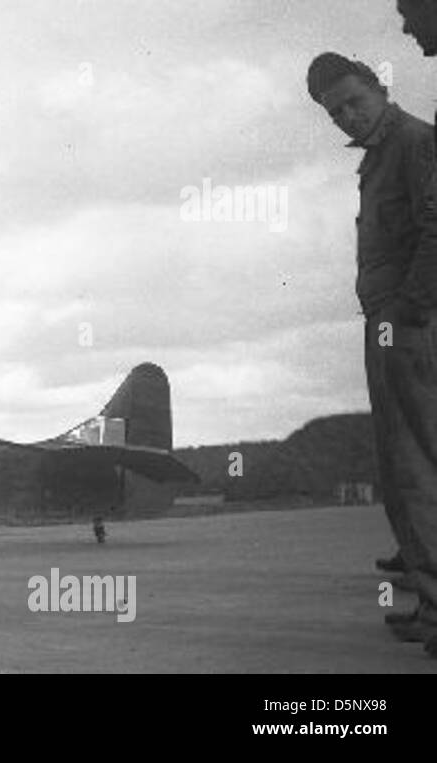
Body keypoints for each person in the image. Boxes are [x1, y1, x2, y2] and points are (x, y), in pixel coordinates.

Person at [313, 41, 437, 657]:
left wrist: (413, 310)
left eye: (354, 103)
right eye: (336, 114)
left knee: (417, 469)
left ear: (380, 90)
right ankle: (429, 601)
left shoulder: (415, 142)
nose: (348, 118)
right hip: (386, 322)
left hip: (410, 323)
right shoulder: (379, 155)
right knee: (398, 467)